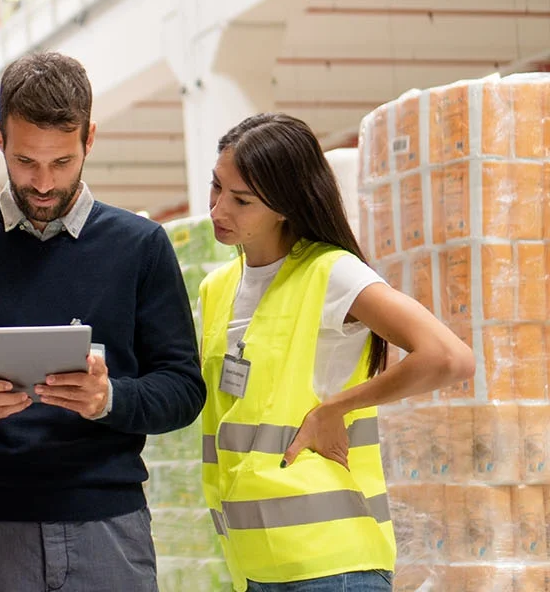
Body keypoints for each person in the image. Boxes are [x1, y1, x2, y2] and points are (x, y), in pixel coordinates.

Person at [0, 51, 205, 592]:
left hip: (107, 524)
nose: (42, 183)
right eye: (25, 161)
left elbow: (182, 389)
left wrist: (110, 400)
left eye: (61, 162)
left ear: (89, 139)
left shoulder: (141, 247)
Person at [199, 113, 475, 592]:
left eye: (241, 199)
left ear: (285, 206)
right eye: (216, 187)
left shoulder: (331, 273)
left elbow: (449, 356)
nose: (219, 209)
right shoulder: (217, 287)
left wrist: (338, 407)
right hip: (253, 563)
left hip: (332, 565)